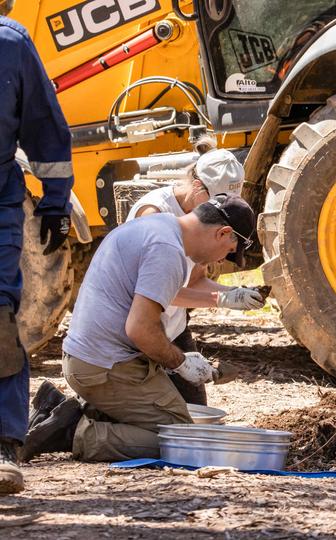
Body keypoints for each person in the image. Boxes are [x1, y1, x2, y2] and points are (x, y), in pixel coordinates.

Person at [21, 195, 258, 462]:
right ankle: (72, 431)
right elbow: (141, 329)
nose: (222, 259)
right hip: (104, 368)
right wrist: (180, 362)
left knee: (175, 420)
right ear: (223, 232)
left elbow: (155, 301)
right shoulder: (167, 250)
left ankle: (58, 407)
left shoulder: (158, 226)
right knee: (181, 438)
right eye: (229, 251)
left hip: (88, 359)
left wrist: (222, 298)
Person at [0, 1, 74, 495]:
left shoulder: (11, 43)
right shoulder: (12, 42)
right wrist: (53, 204)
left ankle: (3, 444)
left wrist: (53, 203)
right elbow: (46, 127)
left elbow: (46, 129)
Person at [124, 146, 262, 406]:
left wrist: (232, 294)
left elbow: (195, 280)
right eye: (217, 202)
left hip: (173, 327)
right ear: (198, 187)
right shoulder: (154, 212)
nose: (221, 212)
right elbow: (156, 291)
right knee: (148, 414)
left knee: (196, 407)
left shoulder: (205, 222)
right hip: (143, 329)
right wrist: (220, 300)